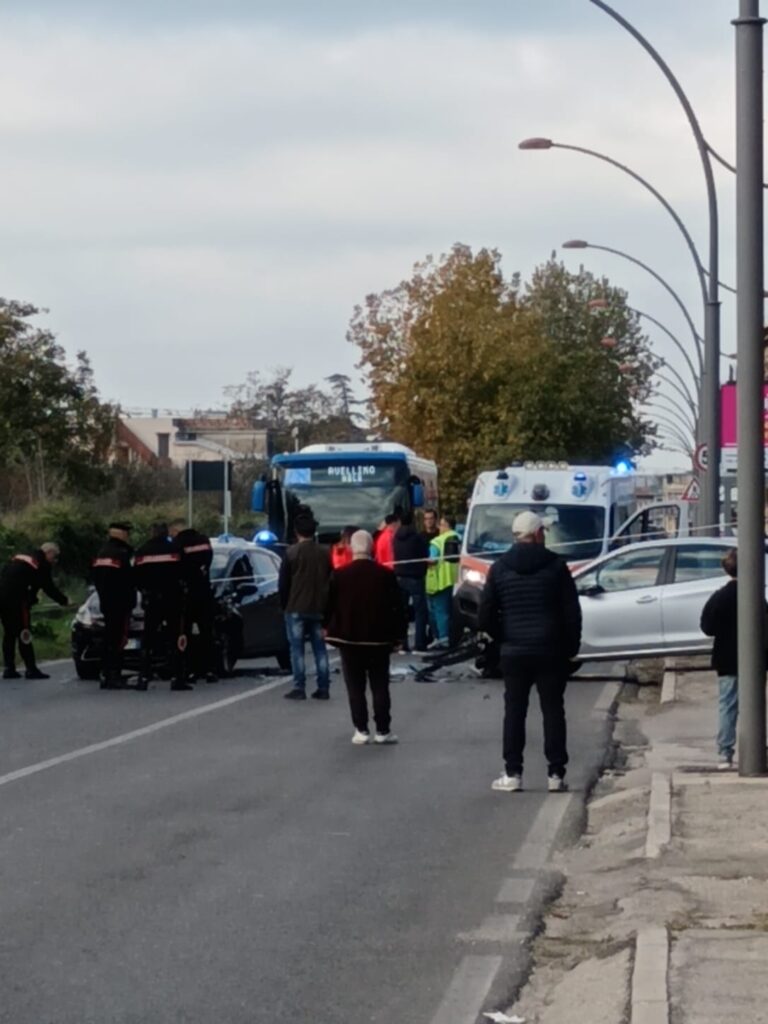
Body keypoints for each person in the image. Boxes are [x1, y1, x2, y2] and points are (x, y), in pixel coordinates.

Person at [478, 510, 582, 793]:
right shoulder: (557, 567)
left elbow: (485, 615)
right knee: (552, 710)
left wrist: (504, 638)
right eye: (543, 533)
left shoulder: (499, 568)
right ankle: (556, 774)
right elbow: (572, 612)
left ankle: (513, 773)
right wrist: (571, 647)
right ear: (537, 534)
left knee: (514, 711)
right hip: (550, 649)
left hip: (514, 651)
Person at [325, 530, 405, 744]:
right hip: (379, 640)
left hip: (349, 640)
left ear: (352, 549)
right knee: (380, 685)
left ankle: (361, 729)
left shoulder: (340, 575)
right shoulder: (385, 575)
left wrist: (329, 628)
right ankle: (383, 729)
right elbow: (398, 608)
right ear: (371, 549)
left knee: (355, 687)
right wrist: (399, 637)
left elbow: (328, 605)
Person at [700, 548, 756, 770]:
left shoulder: (719, 597)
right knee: (754, 705)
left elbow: (707, 627)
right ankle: (756, 748)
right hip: (754, 660)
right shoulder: (753, 595)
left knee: (727, 705)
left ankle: (725, 753)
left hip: (726, 658)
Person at [278, 509, 332, 700]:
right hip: (319, 608)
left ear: (296, 532)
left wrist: (284, 605)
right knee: (320, 648)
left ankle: (299, 687)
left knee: (297, 649)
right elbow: (330, 581)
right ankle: (324, 687)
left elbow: (283, 583)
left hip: (296, 607)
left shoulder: (291, 553)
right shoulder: (325, 553)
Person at [134, 523, 190, 691]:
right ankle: (177, 677)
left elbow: (136, 577)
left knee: (148, 638)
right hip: (173, 599)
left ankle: (143, 677)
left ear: (152, 532)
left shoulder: (142, 550)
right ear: (166, 534)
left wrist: (145, 591)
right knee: (176, 638)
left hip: (152, 600)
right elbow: (185, 572)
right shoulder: (176, 549)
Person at [0, 542, 68, 680]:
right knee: (24, 633)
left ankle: (9, 668)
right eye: (54, 557)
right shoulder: (41, 564)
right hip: (18, 601)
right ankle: (31, 669)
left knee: (9, 633)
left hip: (2, 599)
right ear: (48, 553)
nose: (54, 561)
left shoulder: (21, 557)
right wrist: (64, 601)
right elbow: (48, 587)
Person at [169, 519, 217, 683]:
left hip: (186, 595)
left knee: (185, 633)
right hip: (204, 593)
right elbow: (208, 562)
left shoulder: (177, 543)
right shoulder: (204, 540)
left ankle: (188, 669)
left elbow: (175, 569)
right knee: (207, 632)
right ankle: (209, 669)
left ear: (176, 530)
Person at [91, 522, 136, 690]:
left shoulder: (101, 552)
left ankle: (105, 673)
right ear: (122, 535)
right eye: (126, 533)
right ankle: (115, 675)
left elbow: (95, 577)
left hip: (106, 602)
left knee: (108, 637)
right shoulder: (123, 553)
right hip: (121, 603)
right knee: (119, 639)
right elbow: (130, 579)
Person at [392, 512, 429, 653]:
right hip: (415, 577)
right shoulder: (417, 538)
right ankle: (420, 643)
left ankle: (402, 643)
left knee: (402, 612)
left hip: (399, 576)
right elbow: (424, 555)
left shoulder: (396, 538)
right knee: (420, 612)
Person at [425, 514, 460, 648]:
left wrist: (423, 560)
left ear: (446, 526)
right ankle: (450, 636)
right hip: (455, 579)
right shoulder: (459, 537)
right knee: (450, 611)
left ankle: (442, 638)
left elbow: (432, 560)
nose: (439, 527)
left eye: (441, 524)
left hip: (439, 580)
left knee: (438, 611)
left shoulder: (437, 542)